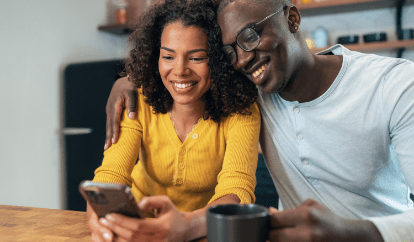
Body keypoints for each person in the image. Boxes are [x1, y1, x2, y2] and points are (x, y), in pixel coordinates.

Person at [105, 0, 414, 241]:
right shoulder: (250, 92)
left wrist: (351, 234)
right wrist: (128, 81)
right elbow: (182, 71)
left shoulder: (397, 85)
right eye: (229, 51)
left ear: (292, 18)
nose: (241, 60)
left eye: (250, 36)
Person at [88, 0, 262, 241]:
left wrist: (186, 225)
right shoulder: (138, 101)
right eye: (168, 56)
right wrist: (100, 216)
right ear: (154, 57)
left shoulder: (241, 110)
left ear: (219, 59)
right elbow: (110, 175)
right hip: (139, 229)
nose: (179, 70)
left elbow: (237, 188)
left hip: (203, 232)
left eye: (197, 58)